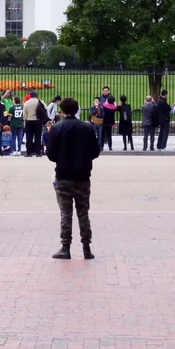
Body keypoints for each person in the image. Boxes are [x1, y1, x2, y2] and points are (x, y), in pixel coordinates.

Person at [46, 97, 100, 260]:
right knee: (83, 212)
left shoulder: (57, 128)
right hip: (83, 175)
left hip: (63, 174)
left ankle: (65, 246)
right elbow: (95, 152)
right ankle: (86, 247)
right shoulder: (88, 128)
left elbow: (50, 154)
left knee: (66, 212)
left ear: (62, 111)